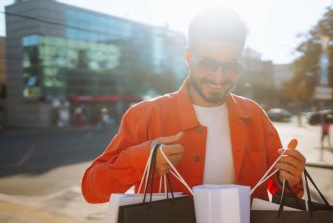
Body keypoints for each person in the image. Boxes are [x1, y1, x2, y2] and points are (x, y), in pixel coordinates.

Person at [82, 7, 306, 203]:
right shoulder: (145, 115)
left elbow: (280, 192)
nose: (219, 77)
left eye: (231, 66)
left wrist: (289, 177)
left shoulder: (255, 116)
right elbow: (92, 190)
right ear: (189, 57)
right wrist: (143, 159)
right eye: (208, 64)